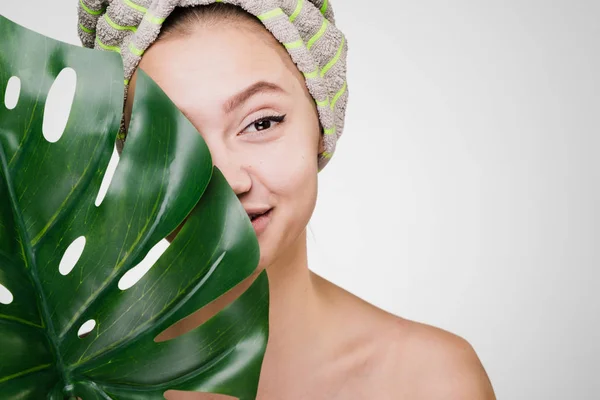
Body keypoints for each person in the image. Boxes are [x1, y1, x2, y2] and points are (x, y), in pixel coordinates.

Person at [78, 1, 496, 399]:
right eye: (169, 138)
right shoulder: (74, 382)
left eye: (261, 122)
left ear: (322, 121)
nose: (224, 179)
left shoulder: (432, 382)